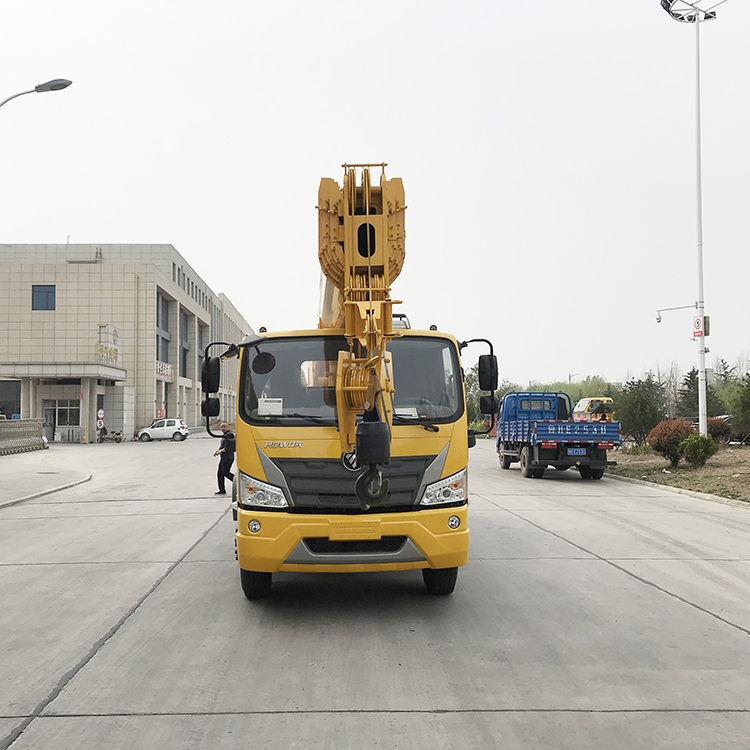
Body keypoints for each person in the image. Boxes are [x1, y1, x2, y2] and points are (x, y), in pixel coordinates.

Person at [213, 422, 235, 495]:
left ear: (228, 427)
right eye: (221, 427)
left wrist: (220, 451)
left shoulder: (230, 435)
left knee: (226, 472)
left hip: (228, 457)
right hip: (224, 457)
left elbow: (228, 447)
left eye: (224, 426)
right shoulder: (224, 435)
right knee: (220, 473)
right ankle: (222, 490)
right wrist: (218, 451)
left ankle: (237, 482)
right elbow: (223, 446)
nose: (223, 428)